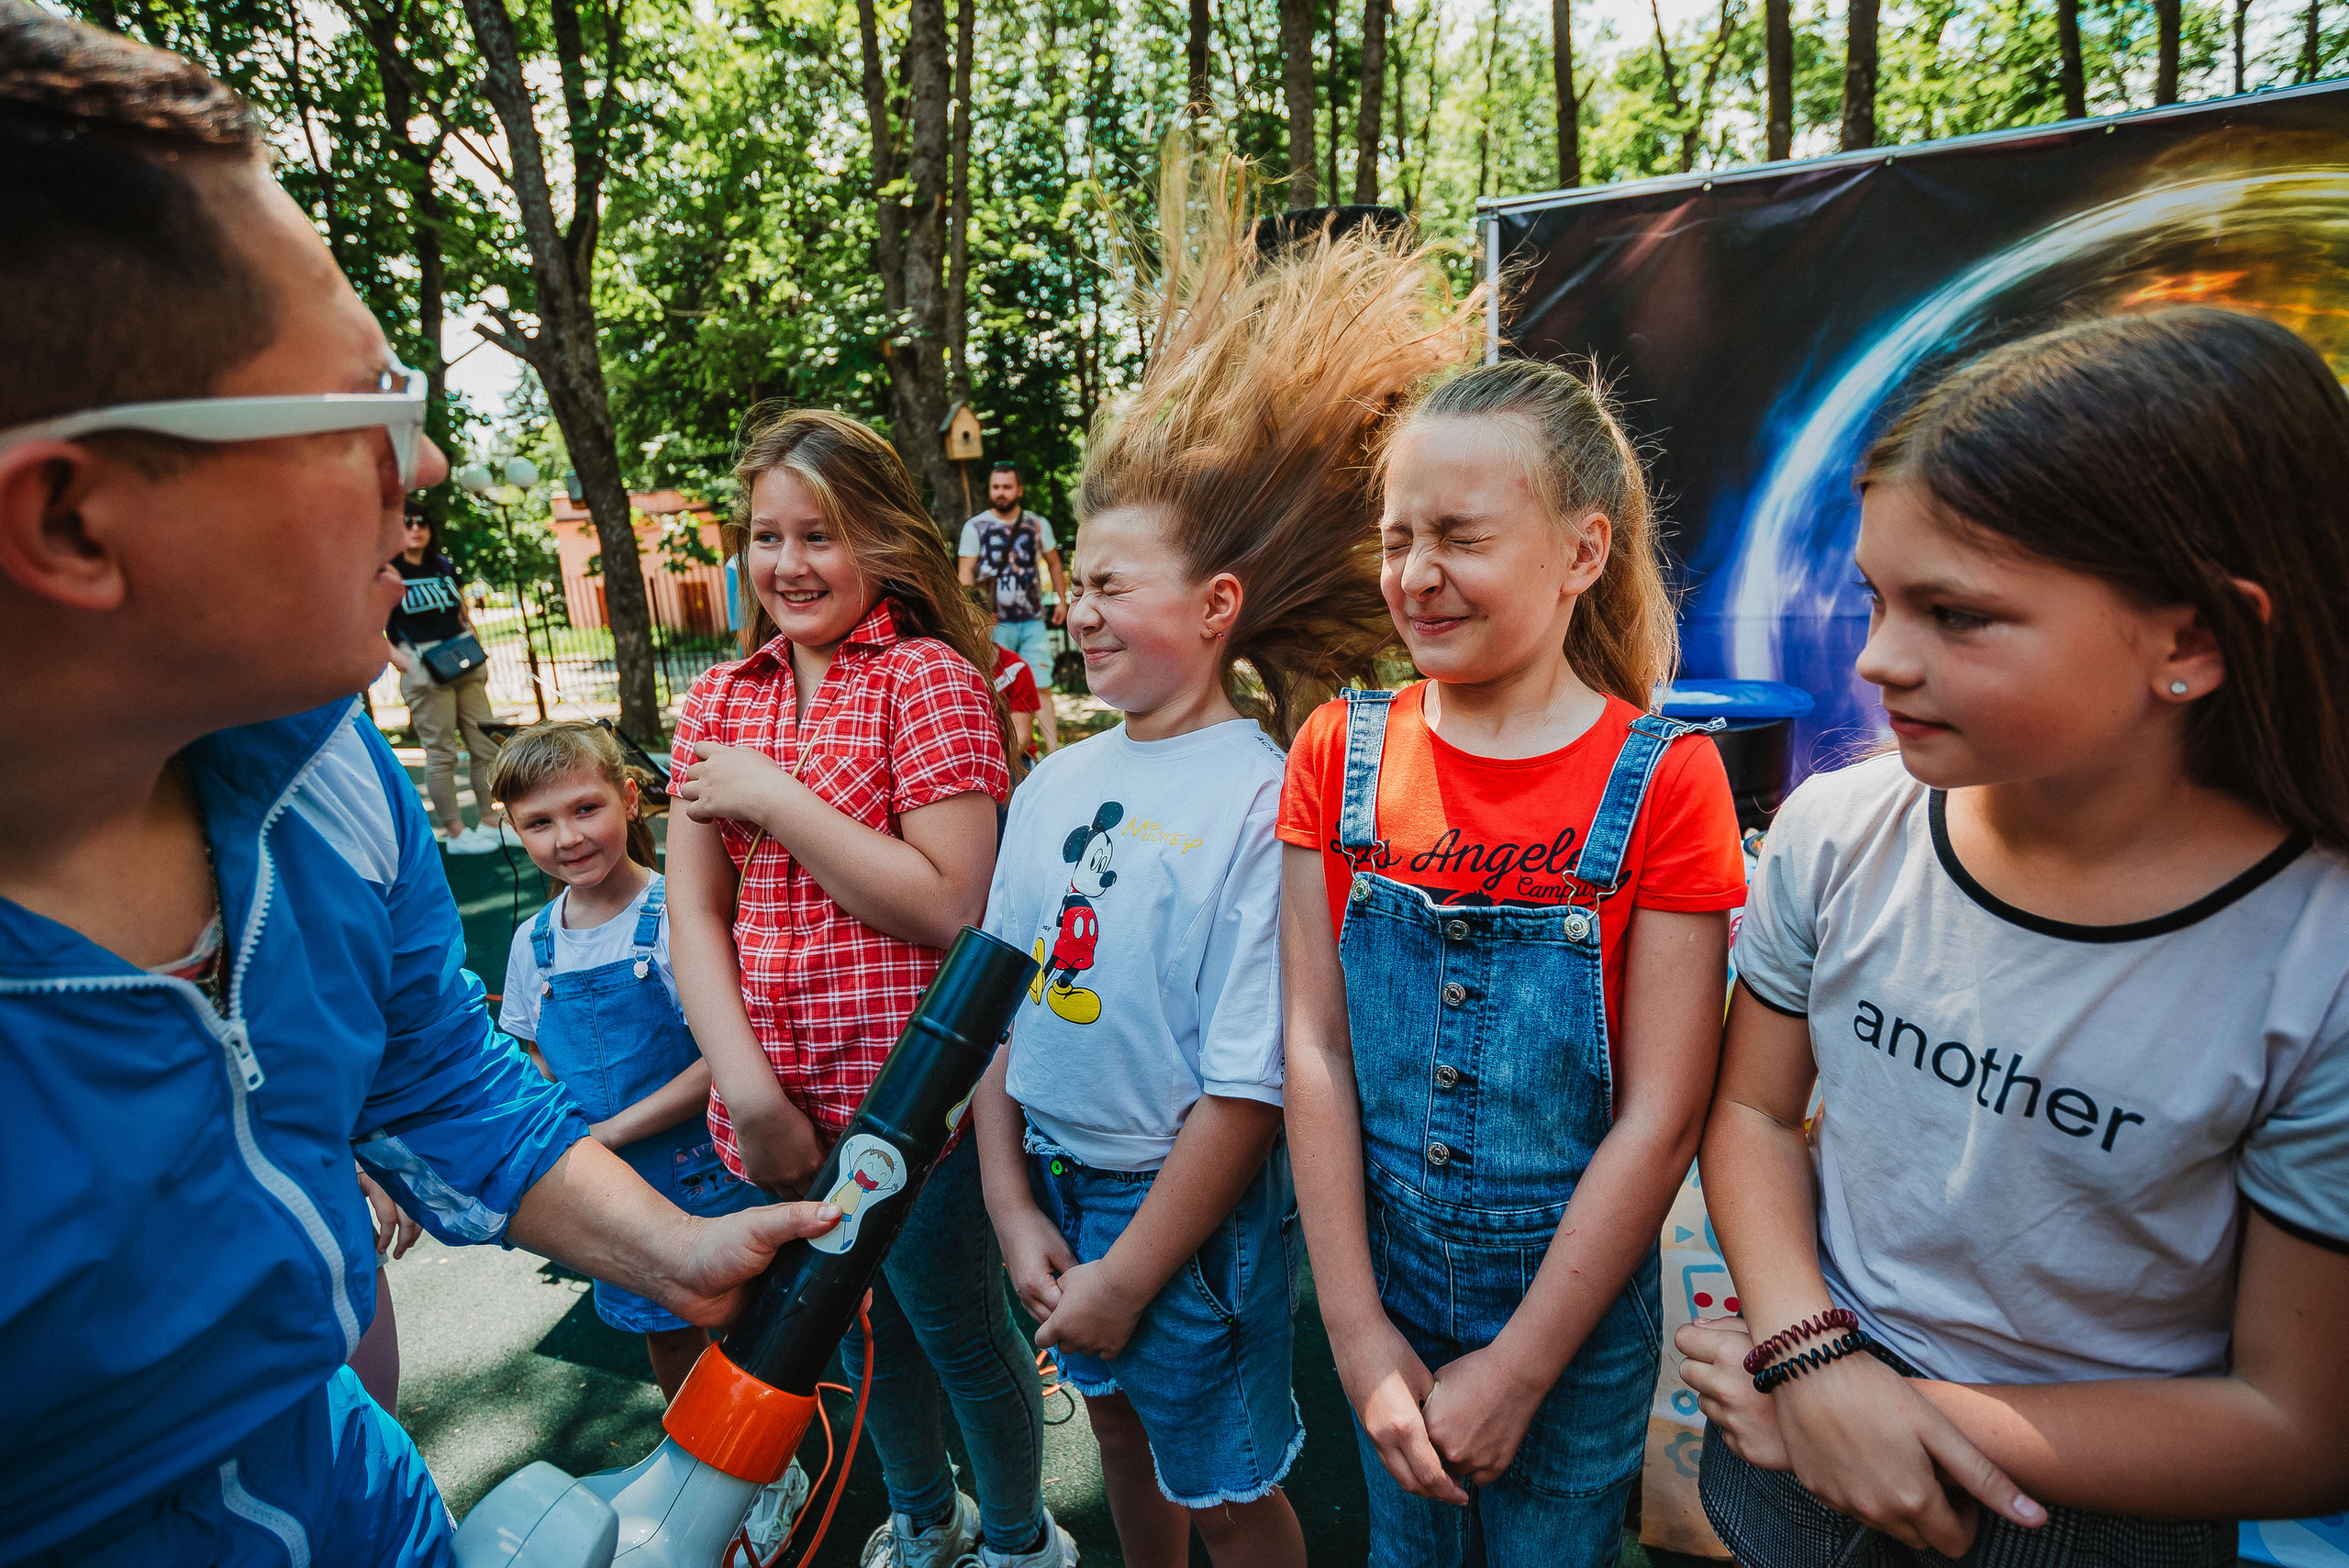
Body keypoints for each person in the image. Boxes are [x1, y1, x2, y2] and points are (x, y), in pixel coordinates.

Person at [0, 14, 841, 1563]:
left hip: (353, 1489)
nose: (433, 462)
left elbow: (434, 1072)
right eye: (365, 408)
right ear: (70, 522)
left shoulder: (326, 764)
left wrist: (676, 1245)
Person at [1674, 309, 2349, 1567]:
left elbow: (2299, 1420)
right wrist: (1812, 1353)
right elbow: (1755, 1113)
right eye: (1878, 598)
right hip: (1789, 1456)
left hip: (2091, 1522)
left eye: (1956, 613)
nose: (1879, 658)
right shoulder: (1836, 834)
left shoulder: (2320, 964)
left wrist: (1865, 1411)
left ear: (2191, 638)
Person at [972, 157, 1469, 1568]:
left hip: (1180, 1218)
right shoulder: (1055, 778)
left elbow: (1253, 1082)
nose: (1077, 607)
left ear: (1218, 604)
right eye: (1074, 582)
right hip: (1062, 1191)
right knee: (1121, 1435)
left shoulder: (1268, 798)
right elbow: (1000, 995)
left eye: (1109, 584)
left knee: (1226, 1479)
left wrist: (1132, 1269)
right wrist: (1014, 1203)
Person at [1279, 357, 1747, 1567]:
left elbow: (1663, 1111)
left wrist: (1524, 1365)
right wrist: (1355, 1333)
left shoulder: (1666, 780)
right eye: (1398, 537)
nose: (1416, 574)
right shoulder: (1338, 750)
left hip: (1576, 1324)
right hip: (1382, 1292)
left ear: (1582, 553)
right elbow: (1315, 1046)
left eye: (1461, 537)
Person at [665, 409, 1073, 1568]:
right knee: (840, 1335)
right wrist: (747, 1090)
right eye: (765, 535)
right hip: (779, 1112)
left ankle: (1014, 1533)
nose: (788, 564)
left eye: (821, 536)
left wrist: (778, 796)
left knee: (953, 1329)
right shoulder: (720, 701)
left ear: (886, 546)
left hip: (915, 1111)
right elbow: (698, 909)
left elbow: (953, 905)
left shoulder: (925, 680)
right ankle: (924, 1515)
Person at [491, 720, 766, 1399]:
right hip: (610, 1188)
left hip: (704, 1171)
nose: (569, 837)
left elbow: (722, 1058)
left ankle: (767, 1464)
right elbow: (534, 1051)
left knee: (747, 1324)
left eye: (586, 807)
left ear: (630, 796)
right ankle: (700, 1461)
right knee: (664, 1329)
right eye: (540, 822)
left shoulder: (678, 914)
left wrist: (607, 1133)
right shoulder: (534, 944)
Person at [386, 502, 507, 854]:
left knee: (485, 745)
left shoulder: (441, 565)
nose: (415, 528)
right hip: (424, 668)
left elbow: (460, 610)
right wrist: (405, 663)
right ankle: (456, 833)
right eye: (406, 522)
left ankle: (489, 821)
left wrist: (475, 639)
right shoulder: (387, 572)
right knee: (442, 754)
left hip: (464, 661)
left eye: (422, 522)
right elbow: (367, 625)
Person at [959, 462, 1070, 753]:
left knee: (1042, 685)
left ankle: (1052, 753)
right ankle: (1005, 750)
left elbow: (1054, 563)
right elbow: (965, 573)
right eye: (996, 487)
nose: (1001, 493)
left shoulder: (1037, 524)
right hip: (993, 622)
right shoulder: (975, 528)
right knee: (998, 687)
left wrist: (1062, 600)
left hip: (1031, 618)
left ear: (1019, 490)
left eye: (1007, 487)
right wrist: (971, 615)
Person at [992, 642, 1044, 770]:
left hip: (1013, 757)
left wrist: (990, 766)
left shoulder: (1015, 669)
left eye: (974, 626)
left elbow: (1021, 738)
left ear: (991, 622)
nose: (967, 632)